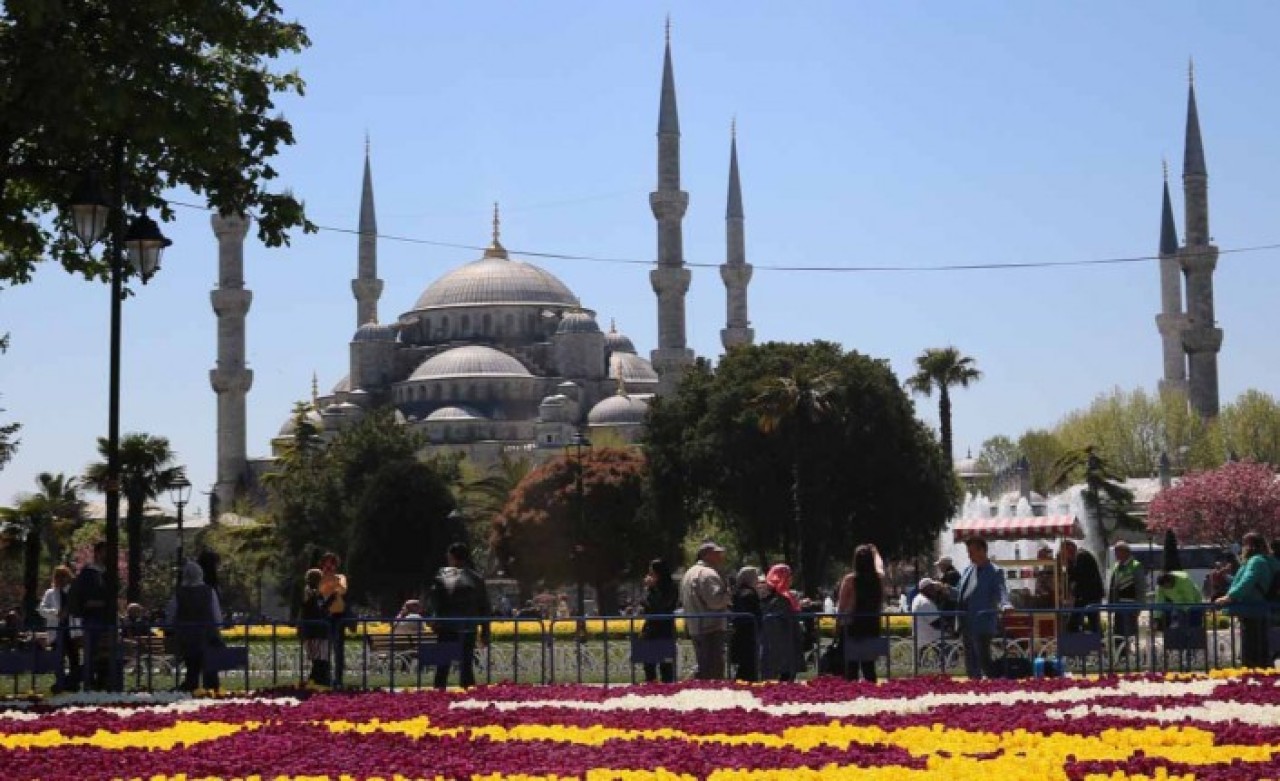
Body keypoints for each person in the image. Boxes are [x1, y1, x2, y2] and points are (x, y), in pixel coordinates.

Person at [945, 537, 1013, 680]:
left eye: (971, 552)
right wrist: (944, 589)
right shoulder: (968, 570)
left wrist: (1005, 604)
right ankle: (974, 688)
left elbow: (1001, 591)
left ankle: (998, 685)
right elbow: (959, 593)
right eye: (968, 552)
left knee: (984, 660)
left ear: (982, 551)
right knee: (970, 660)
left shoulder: (994, 571)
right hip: (966, 622)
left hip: (982, 622)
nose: (969, 555)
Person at [429, 542, 491, 689]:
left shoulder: (442, 576)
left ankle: (438, 694)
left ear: (451, 557)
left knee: (443, 665)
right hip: (468, 627)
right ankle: (468, 693)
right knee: (466, 665)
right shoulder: (477, 579)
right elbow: (485, 606)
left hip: (447, 627)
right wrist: (485, 631)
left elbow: (435, 601)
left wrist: (435, 620)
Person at [1215, 531, 1278, 668]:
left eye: (1244, 544)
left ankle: (1252, 678)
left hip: (1250, 609)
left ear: (1250, 546)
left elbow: (1248, 581)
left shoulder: (1255, 561)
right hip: (1263, 608)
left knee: (1251, 649)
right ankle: (1264, 677)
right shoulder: (1268, 561)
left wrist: (1229, 597)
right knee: (1262, 647)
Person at [166, 560, 223, 692]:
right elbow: (217, 615)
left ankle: (191, 685)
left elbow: (170, 615)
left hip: (187, 638)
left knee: (192, 666)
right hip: (208, 636)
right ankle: (212, 687)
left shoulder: (179, 593)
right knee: (210, 666)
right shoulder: (209, 592)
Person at [679, 541, 731, 680]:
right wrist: (728, 595)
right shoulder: (707, 574)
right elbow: (715, 602)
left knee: (703, 665)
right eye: (717, 554)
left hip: (695, 626)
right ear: (707, 555)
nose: (721, 557)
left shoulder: (689, 572)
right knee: (713, 670)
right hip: (711, 628)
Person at [67, 541, 112, 690]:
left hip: (105, 618)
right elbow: (81, 597)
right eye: (105, 552)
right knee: (91, 653)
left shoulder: (106, 572)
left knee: (103, 654)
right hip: (92, 618)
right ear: (98, 553)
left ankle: (100, 682)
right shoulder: (88, 573)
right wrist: (90, 604)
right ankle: (76, 680)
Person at [838, 544, 885, 682]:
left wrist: (838, 625)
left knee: (851, 667)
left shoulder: (850, 580)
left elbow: (842, 606)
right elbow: (880, 567)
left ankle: (851, 696)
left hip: (852, 625)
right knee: (869, 667)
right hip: (871, 624)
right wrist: (875, 552)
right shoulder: (878, 579)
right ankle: (871, 696)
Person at [38, 565, 82, 693]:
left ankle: (74, 684)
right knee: (58, 658)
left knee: (74, 658)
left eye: (64, 576)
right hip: (57, 631)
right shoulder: (50, 593)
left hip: (72, 630)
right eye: (58, 576)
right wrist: (55, 613)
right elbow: (42, 610)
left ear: (68, 577)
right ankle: (60, 683)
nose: (61, 579)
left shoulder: (73, 592)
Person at [638, 558, 679, 683]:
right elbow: (644, 604)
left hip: (664, 630)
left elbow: (661, 605)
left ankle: (667, 691)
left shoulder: (671, 587)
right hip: (650, 629)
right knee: (648, 665)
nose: (650, 576)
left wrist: (652, 589)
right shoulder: (650, 588)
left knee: (666, 666)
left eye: (653, 572)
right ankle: (651, 689)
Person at [760, 564, 802, 682]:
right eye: (788, 576)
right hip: (782, 641)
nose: (791, 579)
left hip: (776, 640)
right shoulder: (782, 598)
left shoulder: (767, 594)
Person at [1107, 541, 1146, 658]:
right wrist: (1110, 605)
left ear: (1126, 552)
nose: (1115, 555)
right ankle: (1120, 655)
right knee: (1118, 632)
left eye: (1117, 552)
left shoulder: (1136, 565)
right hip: (1118, 606)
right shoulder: (1116, 566)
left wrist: (1138, 607)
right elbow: (1113, 587)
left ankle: (1131, 655)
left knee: (1130, 632)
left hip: (1130, 605)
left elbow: (1140, 588)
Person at [317, 552, 349, 686]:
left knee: (338, 649)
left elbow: (342, 590)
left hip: (338, 617)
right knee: (324, 649)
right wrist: (331, 585)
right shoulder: (318, 577)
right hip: (324, 617)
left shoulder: (340, 577)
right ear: (323, 564)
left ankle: (338, 679)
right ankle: (326, 678)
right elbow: (321, 590)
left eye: (332, 563)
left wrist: (332, 583)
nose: (330, 566)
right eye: (327, 563)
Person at [1061, 540, 1104, 634]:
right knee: (1089, 622)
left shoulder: (1082, 556)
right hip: (1085, 596)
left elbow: (1077, 576)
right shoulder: (1078, 557)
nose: (1063, 556)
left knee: (1090, 622)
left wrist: (1067, 567)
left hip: (1090, 596)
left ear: (1069, 550)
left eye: (1064, 553)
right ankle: (1094, 642)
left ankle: (1097, 644)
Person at [727, 566, 761, 682]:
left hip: (740, 632)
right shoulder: (748, 594)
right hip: (747, 633)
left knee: (744, 666)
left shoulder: (738, 592)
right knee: (748, 665)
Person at [299, 568, 332, 686]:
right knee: (318, 660)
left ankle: (319, 681)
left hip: (320, 631)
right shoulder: (309, 592)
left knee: (321, 659)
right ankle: (317, 681)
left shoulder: (320, 595)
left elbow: (323, 609)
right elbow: (309, 607)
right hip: (313, 631)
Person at [910, 579, 947, 651]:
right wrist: (951, 629)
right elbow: (937, 624)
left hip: (922, 638)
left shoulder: (918, 598)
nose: (934, 590)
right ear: (926, 589)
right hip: (930, 639)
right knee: (952, 652)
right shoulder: (925, 602)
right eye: (932, 587)